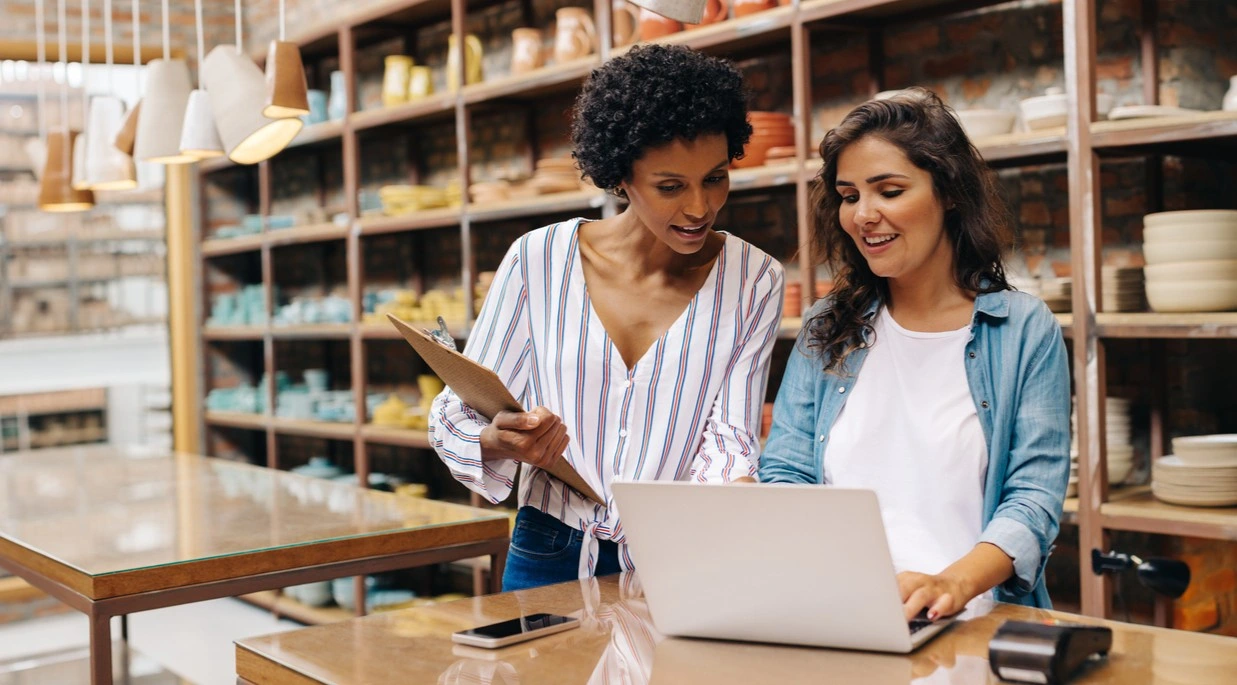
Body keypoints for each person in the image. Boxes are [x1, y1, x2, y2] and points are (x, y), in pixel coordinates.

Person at [430, 44, 785, 591]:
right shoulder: (538, 260)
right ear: (621, 176)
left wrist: (743, 504)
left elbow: (730, 437)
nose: (699, 207)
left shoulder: (755, 278)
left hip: (681, 555)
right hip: (549, 547)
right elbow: (460, 411)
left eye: (715, 178)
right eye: (670, 186)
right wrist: (503, 441)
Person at [759, 88, 1069, 618]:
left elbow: (1033, 498)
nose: (863, 215)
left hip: (967, 619)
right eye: (850, 195)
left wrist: (951, 584)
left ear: (948, 192)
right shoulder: (827, 326)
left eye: (890, 190)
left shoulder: (1021, 329)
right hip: (839, 615)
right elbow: (785, 472)